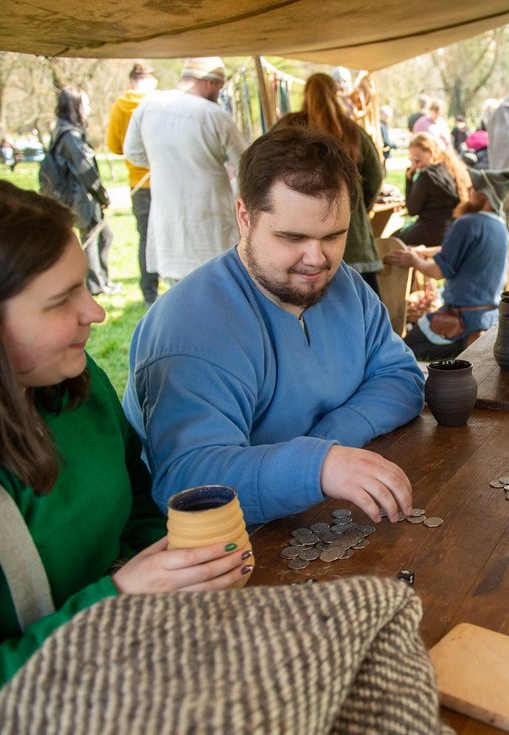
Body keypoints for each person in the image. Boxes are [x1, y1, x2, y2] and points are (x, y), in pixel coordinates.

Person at [0, 179, 251, 706]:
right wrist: (119, 598)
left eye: (84, 285)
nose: (97, 313)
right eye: (61, 301)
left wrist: (179, 569)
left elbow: (137, 490)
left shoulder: (76, 385)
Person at [122, 128, 424, 526]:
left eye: (333, 236)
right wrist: (319, 465)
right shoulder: (190, 330)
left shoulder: (346, 286)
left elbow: (401, 378)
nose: (316, 259)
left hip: (319, 512)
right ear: (245, 218)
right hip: (219, 545)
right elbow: (190, 480)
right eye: (292, 237)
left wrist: (329, 441)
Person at [123, 57, 247, 285]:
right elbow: (246, 165)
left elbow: (133, 153)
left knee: (179, 291)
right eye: (219, 87)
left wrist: (167, 164)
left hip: (169, 221)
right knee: (217, 287)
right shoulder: (214, 115)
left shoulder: (148, 106)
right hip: (211, 224)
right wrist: (234, 189)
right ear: (210, 83)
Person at [385, 167, 509, 360]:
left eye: (473, 189)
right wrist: (424, 251)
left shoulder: (467, 223)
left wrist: (414, 261)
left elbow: (437, 272)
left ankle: (464, 346)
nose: (469, 192)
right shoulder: (499, 226)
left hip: (460, 322)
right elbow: (464, 251)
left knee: (399, 353)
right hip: (489, 318)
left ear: (483, 197)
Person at [275, 72, 385, 294]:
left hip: (300, 243)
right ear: (335, 94)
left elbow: (266, 171)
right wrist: (353, 207)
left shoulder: (287, 128)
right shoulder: (352, 131)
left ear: (306, 94)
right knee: (363, 313)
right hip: (353, 239)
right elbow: (375, 177)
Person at [49, 86, 118, 297]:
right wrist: (102, 195)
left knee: (105, 236)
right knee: (92, 239)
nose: (89, 109)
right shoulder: (69, 135)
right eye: (85, 104)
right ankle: (96, 286)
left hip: (83, 197)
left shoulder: (66, 131)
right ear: (75, 105)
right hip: (81, 198)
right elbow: (85, 170)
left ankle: (103, 280)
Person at [106, 61, 160, 305]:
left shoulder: (120, 106)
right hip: (165, 181)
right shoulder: (162, 103)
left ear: (130, 82)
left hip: (139, 183)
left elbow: (115, 146)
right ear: (153, 82)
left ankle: (149, 294)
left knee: (145, 238)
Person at [392, 132, 471, 247]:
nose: (416, 165)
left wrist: (408, 179)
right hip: (452, 231)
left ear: (431, 152)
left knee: (392, 241)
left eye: (417, 160)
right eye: (412, 161)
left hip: (431, 232)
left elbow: (412, 210)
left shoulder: (427, 175)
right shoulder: (452, 168)